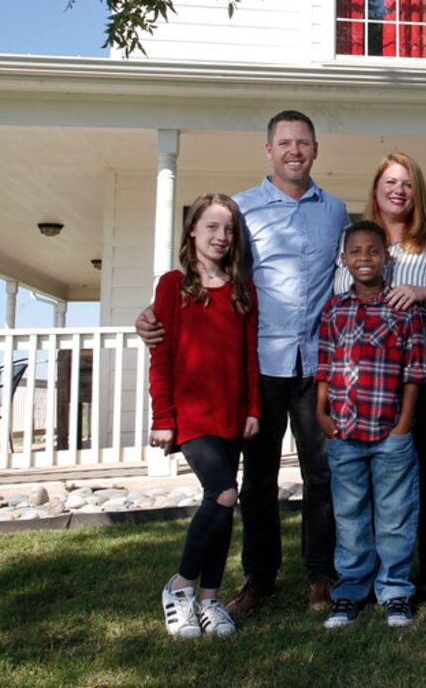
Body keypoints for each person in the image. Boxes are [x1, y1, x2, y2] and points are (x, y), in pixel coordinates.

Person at [138, 110, 350, 617]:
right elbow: (209, 274)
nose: (294, 150)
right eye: (284, 142)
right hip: (262, 364)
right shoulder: (244, 210)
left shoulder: (336, 211)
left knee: (322, 474)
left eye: (303, 143)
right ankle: (260, 579)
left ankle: (322, 575)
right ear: (269, 150)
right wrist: (153, 314)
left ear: (315, 150)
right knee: (258, 479)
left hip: (317, 363)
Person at [335, 153, 426, 601]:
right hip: (365, 384)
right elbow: (340, 298)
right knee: (367, 479)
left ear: (417, 192)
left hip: (425, 378)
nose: (398, 190)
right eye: (390, 182)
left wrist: (425, 293)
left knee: (422, 471)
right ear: (376, 188)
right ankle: (373, 571)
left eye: (407, 183)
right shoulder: (356, 240)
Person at [148, 193, 261, 638]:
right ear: (192, 230)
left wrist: (253, 407)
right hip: (192, 413)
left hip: (232, 411)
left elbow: (248, 354)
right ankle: (179, 588)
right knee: (223, 494)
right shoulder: (172, 285)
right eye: (211, 227)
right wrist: (163, 416)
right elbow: (162, 356)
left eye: (229, 230)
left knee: (221, 506)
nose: (221, 237)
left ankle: (210, 601)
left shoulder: (242, 288)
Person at [316, 221, 425, 629]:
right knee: (350, 515)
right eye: (356, 252)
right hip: (343, 431)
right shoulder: (333, 309)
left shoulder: (402, 308)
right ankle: (350, 590)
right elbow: (324, 365)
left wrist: (403, 425)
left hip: (389, 431)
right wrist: (320, 413)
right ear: (344, 260)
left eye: (374, 251)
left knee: (395, 512)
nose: (365, 258)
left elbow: (415, 371)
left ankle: (395, 589)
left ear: (386, 257)